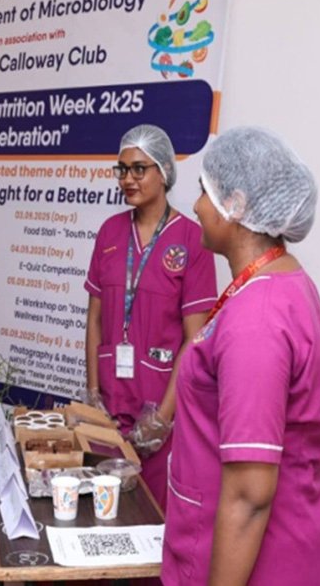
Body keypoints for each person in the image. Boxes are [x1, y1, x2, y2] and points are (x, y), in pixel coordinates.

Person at [162, 127, 320, 585]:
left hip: (258, 564)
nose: (196, 206)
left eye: (204, 191)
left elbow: (250, 495)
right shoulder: (283, 283)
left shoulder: (256, 319)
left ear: (234, 205)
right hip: (276, 545)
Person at [84, 124, 217, 509]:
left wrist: (162, 417)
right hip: (107, 409)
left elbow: (196, 338)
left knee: (149, 517)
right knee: (102, 512)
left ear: (164, 172)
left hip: (159, 409)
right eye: (121, 169)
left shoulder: (193, 240)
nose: (127, 179)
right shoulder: (109, 232)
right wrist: (93, 393)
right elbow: (94, 319)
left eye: (139, 169)